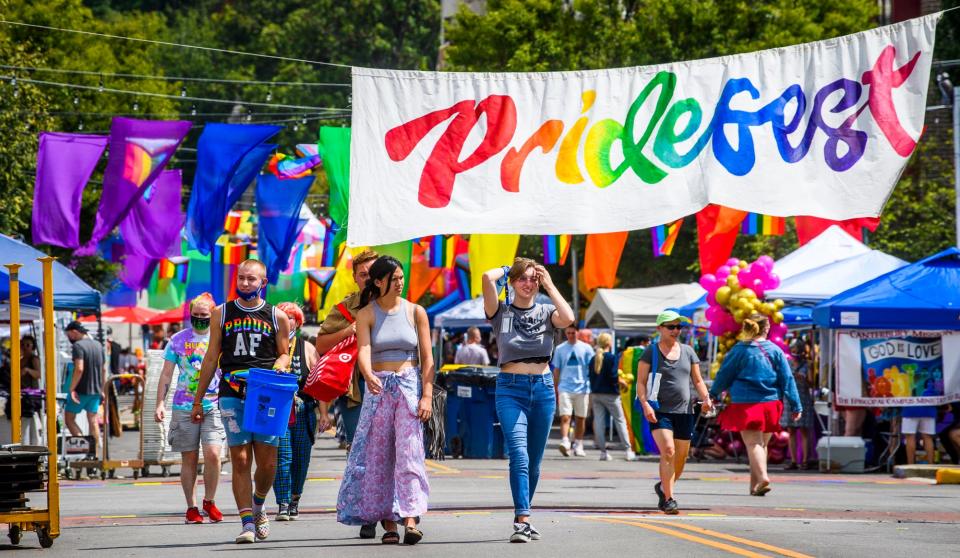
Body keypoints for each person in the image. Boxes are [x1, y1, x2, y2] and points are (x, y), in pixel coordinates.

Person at [336, 256, 435, 546]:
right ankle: (388, 522)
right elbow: (363, 349)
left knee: (409, 452)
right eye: (394, 278)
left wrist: (426, 394)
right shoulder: (366, 313)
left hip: (408, 388)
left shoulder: (416, 311)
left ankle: (411, 519)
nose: (400, 283)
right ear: (379, 282)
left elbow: (428, 358)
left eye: (402, 278)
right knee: (378, 457)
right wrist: (367, 373)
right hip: (379, 390)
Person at [192, 259, 291, 544]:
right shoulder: (221, 313)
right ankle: (247, 521)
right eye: (242, 278)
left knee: (268, 463)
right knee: (240, 459)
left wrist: (280, 366)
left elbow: (283, 353)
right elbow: (212, 356)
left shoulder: (277, 316)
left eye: (252, 279)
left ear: (264, 283)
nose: (246, 283)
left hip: (266, 393)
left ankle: (259, 506)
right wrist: (198, 400)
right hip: (232, 392)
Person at [483, 258, 575, 543]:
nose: (528, 283)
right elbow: (487, 277)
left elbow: (569, 317)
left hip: (544, 388)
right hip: (511, 388)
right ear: (512, 282)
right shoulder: (501, 311)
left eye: (533, 279)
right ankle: (523, 519)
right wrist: (512, 268)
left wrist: (548, 281)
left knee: (534, 462)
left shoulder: (548, 311)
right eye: (523, 279)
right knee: (519, 455)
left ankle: (523, 512)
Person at [314, 249, 379, 539]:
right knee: (361, 455)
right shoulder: (343, 309)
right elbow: (321, 344)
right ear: (355, 278)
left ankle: (393, 512)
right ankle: (368, 514)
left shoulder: (397, 306)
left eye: (373, 273)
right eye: (363, 274)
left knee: (392, 453)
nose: (368, 279)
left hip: (392, 387)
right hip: (356, 392)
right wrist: (349, 330)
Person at [710, 314, 801, 497]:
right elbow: (787, 378)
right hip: (771, 403)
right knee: (761, 445)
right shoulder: (775, 350)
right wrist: (796, 404)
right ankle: (754, 486)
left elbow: (724, 375)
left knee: (753, 444)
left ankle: (763, 478)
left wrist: (712, 394)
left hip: (746, 403)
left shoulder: (739, 350)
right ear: (766, 328)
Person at [154, 293, 225, 525]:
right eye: (195, 316)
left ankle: (210, 501)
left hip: (213, 403)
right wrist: (160, 404)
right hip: (183, 405)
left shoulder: (221, 338)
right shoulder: (177, 339)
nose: (200, 319)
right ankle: (192, 507)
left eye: (205, 316)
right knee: (190, 458)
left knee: (214, 454)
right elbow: (166, 374)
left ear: (213, 315)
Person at [636, 311, 712, 514]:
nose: (676, 330)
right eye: (671, 327)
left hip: (684, 411)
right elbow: (641, 382)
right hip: (659, 410)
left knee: (681, 457)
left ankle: (663, 487)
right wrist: (645, 405)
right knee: (668, 450)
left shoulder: (688, 351)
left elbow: (697, 380)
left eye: (679, 327)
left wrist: (706, 398)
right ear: (660, 328)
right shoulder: (650, 352)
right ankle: (669, 499)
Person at [273, 302, 328, 521]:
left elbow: (319, 383)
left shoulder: (307, 347)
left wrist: (324, 414)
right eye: (283, 317)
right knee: (282, 457)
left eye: (291, 317)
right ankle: (283, 503)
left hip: (304, 408)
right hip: (279, 410)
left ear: (298, 321)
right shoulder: (271, 345)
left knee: (301, 458)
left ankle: (295, 498)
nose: (287, 321)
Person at [589, 333, 635, 462]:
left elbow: (591, 376)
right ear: (609, 343)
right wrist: (621, 382)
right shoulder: (611, 358)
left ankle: (603, 452)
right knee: (620, 421)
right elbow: (613, 375)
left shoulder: (594, 358)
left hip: (596, 393)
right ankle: (628, 450)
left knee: (599, 422)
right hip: (611, 394)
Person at [551, 325, 594, 457]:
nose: (571, 335)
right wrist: (555, 387)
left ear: (577, 333)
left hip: (583, 387)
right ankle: (565, 442)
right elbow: (556, 369)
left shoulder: (587, 348)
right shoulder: (559, 349)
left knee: (581, 418)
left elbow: (592, 368)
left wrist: (592, 386)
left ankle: (578, 444)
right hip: (565, 387)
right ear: (565, 333)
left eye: (573, 333)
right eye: (568, 333)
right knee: (565, 416)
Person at [64, 321, 105, 456]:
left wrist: (72, 389)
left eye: (69, 335)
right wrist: (103, 389)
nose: (69, 338)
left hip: (81, 390)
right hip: (96, 390)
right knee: (93, 421)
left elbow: (79, 368)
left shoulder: (78, 346)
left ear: (75, 332)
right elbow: (103, 369)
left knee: (69, 419)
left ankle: (85, 448)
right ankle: (96, 454)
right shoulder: (98, 345)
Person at [780, 346, 815, 470]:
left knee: (805, 430)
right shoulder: (787, 363)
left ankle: (805, 460)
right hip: (789, 398)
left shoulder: (807, 365)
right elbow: (781, 379)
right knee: (791, 431)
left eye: (798, 350)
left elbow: (812, 383)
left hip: (803, 398)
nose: (796, 353)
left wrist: (804, 378)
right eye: (794, 350)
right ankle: (794, 461)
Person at [17, 335, 43, 445]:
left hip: (32, 394)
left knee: (35, 420)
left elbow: (38, 374)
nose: (25, 347)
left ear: (33, 346)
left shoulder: (34, 359)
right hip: (22, 394)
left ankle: (37, 442)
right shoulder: (20, 359)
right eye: (23, 345)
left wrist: (27, 370)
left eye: (28, 345)